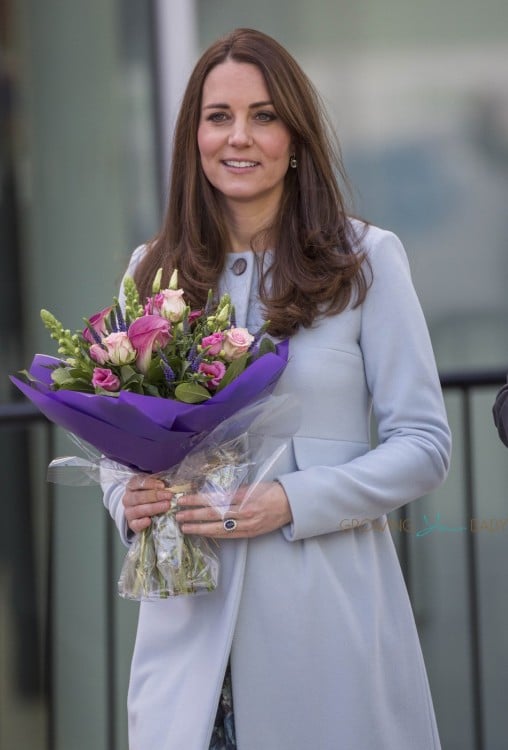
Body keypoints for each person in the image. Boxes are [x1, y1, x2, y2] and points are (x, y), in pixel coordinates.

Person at [103, 27, 451, 750]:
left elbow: (424, 446)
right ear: (192, 135)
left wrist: (291, 499)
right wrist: (123, 495)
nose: (240, 137)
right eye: (218, 115)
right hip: (187, 635)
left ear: (296, 134)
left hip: (324, 627)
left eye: (264, 115)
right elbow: (121, 433)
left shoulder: (367, 260)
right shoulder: (150, 268)